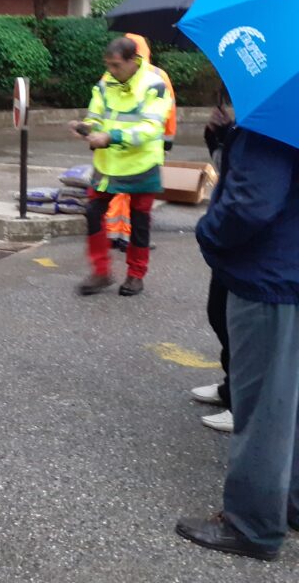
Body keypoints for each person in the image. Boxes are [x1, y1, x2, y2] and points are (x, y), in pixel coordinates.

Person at [176, 124, 299, 562]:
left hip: (271, 275)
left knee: (264, 408)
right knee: (290, 401)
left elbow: (251, 203)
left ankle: (252, 524)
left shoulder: (272, 121)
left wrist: (208, 233)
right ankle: (290, 503)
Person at [70, 37, 171, 297]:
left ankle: (136, 275)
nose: (111, 71)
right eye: (108, 65)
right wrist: (85, 128)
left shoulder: (154, 85)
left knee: (139, 221)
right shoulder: (105, 83)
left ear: (133, 61)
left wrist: (111, 137)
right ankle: (101, 272)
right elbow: (95, 116)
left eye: (116, 65)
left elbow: (151, 127)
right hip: (109, 163)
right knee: (93, 211)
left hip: (141, 163)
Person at [105, 34, 177, 252]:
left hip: (114, 147)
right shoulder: (158, 75)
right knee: (140, 200)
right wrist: (167, 140)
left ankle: (113, 233)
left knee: (117, 191)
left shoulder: (110, 74)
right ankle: (131, 239)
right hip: (145, 148)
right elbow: (169, 111)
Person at [189, 104, 235, 434]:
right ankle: (231, 386)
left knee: (242, 328)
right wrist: (217, 135)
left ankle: (244, 402)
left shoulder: (271, 131)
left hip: (255, 253)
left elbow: (252, 202)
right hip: (232, 251)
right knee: (220, 315)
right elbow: (225, 168)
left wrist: (208, 232)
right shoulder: (245, 129)